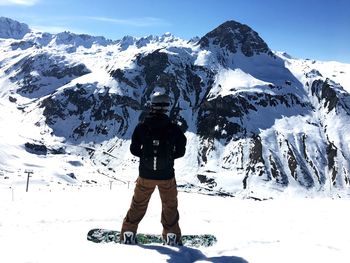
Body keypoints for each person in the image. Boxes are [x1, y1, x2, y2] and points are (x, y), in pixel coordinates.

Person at [120, 91, 187, 245]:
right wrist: (169, 157)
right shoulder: (174, 129)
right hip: (167, 176)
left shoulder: (142, 127)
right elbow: (181, 151)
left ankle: (128, 233)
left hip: (145, 175)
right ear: (167, 107)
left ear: (151, 105)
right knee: (169, 205)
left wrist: (145, 156)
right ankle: (171, 236)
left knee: (138, 204)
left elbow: (134, 150)